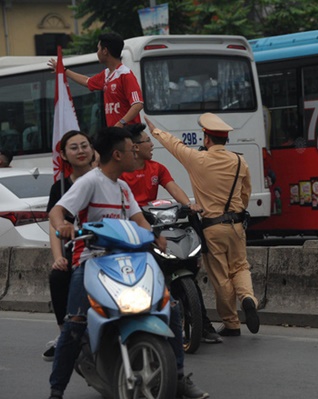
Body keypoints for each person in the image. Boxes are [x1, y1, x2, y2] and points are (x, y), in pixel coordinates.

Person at [47, 127, 207, 399]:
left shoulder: (122, 187)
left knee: (171, 307)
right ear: (117, 155)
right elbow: (57, 211)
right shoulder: (90, 182)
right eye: (132, 149)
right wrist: (63, 225)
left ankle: (178, 377)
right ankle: (56, 391)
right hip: (93, 261)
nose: (137, 152)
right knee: (75, 324)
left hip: (129, 261)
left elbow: (138, 218)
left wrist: (156, 236)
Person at [144, 113, 260, 337]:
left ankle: (232, 323)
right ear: (225, 139)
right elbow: (245, 193)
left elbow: (174, 145)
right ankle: (248, 298)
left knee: (221, 276)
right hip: (236, 226)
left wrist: (155, 130)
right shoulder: (239, 161)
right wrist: (236, 210)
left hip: (212, 227)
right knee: (240, 267)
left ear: (207, 139)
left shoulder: (198, 160)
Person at [121, 122, 223, 344]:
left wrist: (189, 204)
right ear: (135, 147)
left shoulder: (157, 168)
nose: (151, 145)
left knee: (186, 260)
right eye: (148, 141)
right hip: (135, 231)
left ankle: (203, 325)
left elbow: (173, 188)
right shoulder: (122, 175)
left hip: (158, 227)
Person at [43, 130, 95, 362]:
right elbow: (55, 226)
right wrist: (58, 257)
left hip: (107, 248)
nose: (81, 151)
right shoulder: (60, 188)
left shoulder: (109, 180)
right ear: (63, 155)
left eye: (84, 145)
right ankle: (64, 335)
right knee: (58, 276)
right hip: (78, 250)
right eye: (74, 147)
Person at [47, 32, 143, 128]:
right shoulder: (106, 75)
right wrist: (64, 70)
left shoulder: (125, 75)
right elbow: (87, 81)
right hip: (116, 134)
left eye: (98, 49)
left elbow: (138, 104)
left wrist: (121, 122)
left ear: (105, 51)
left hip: (129, 134)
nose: (97, 52)